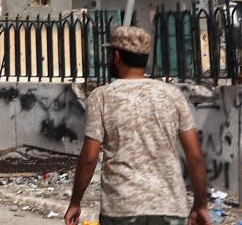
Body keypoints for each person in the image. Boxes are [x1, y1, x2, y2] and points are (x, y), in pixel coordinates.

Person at [64, 25, 209, 225]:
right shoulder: (172, 95)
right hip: (170, 208)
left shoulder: (102, 96)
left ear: (116, 55)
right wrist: (201, 205)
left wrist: (75, 202)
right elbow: (195, 158)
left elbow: (89, 158)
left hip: (121, 208)